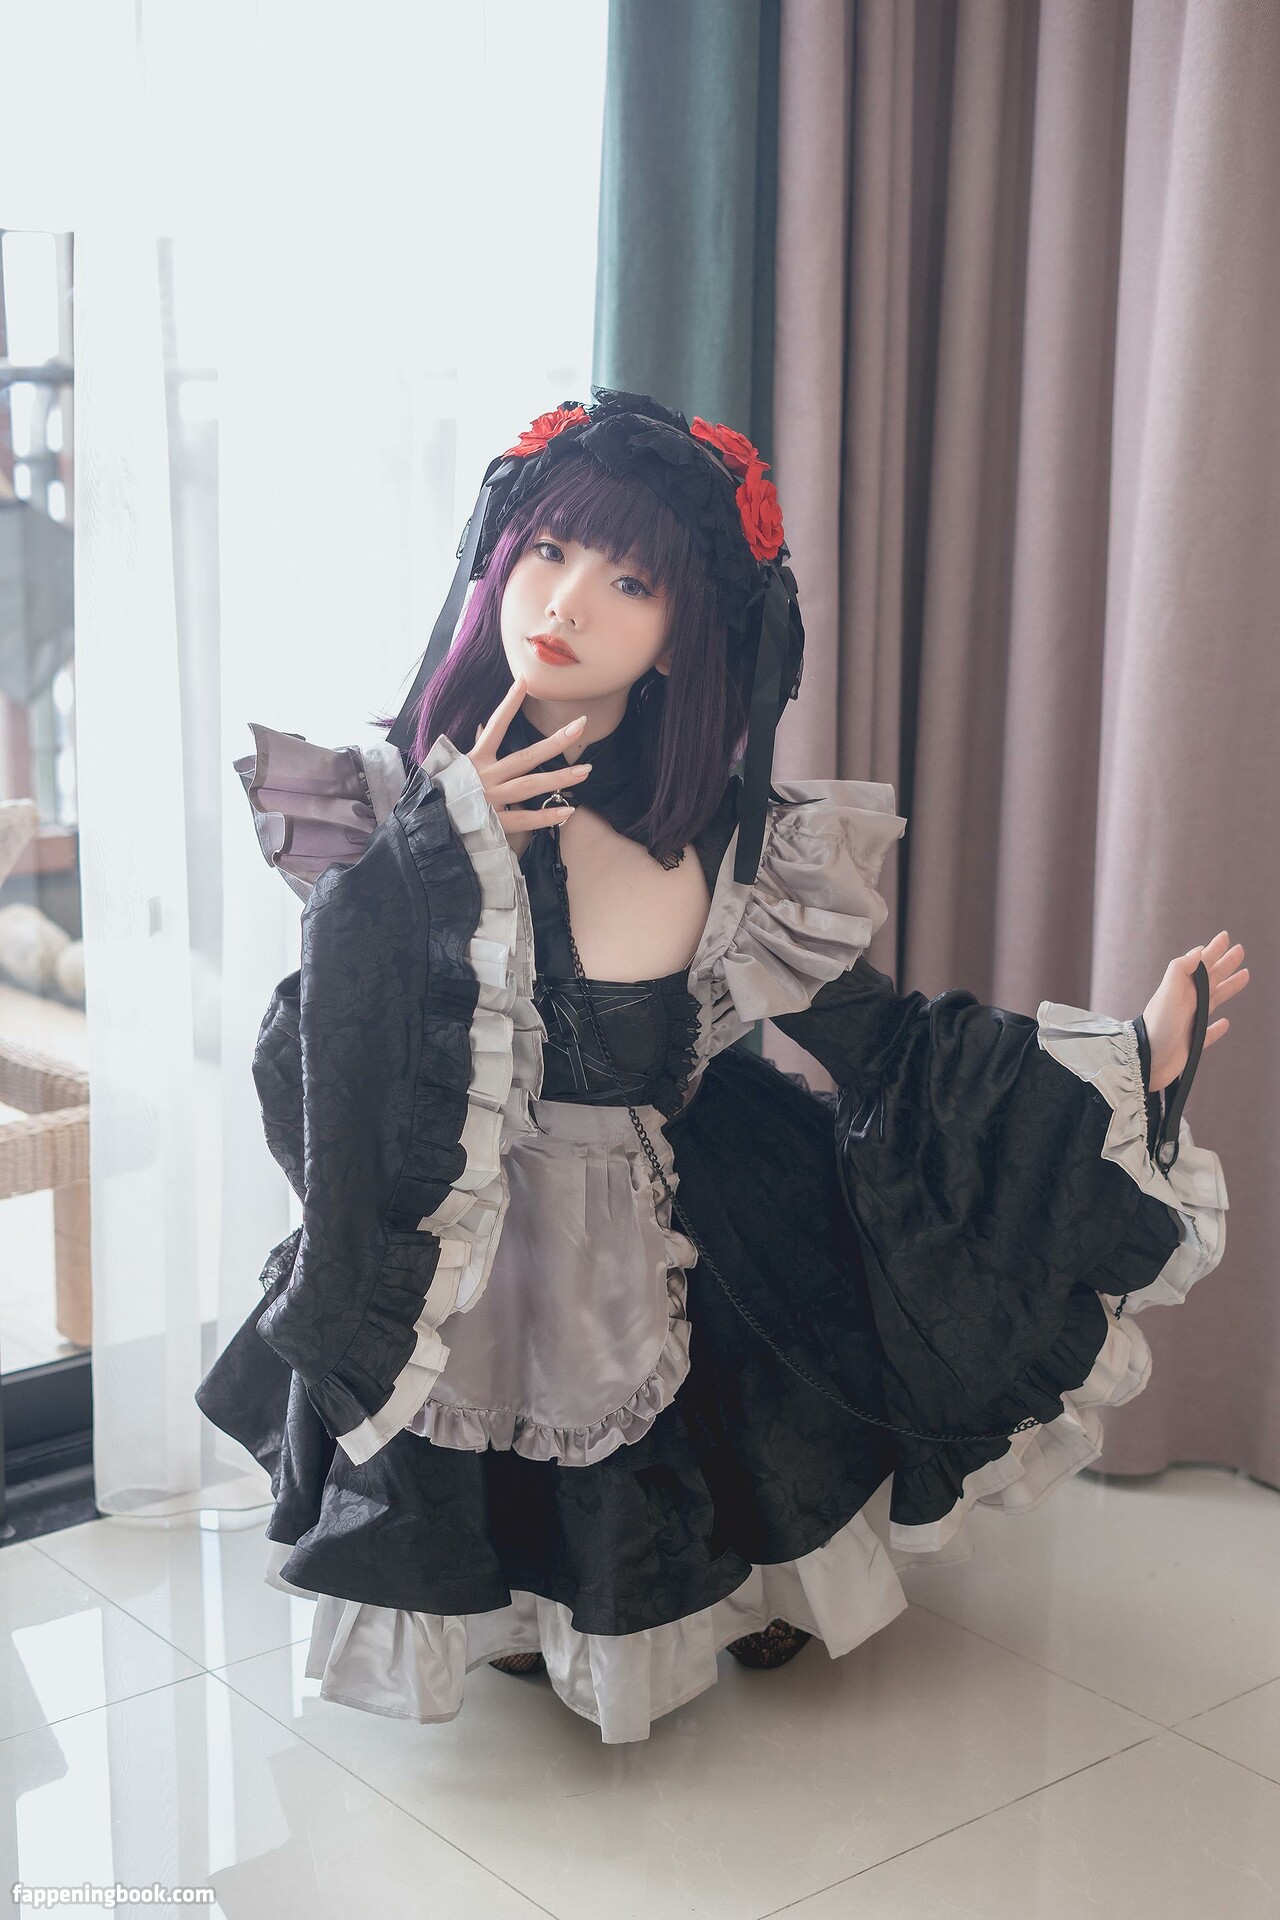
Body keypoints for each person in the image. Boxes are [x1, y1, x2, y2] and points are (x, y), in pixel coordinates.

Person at [196, 388, 1243, 1745]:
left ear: (687, 634)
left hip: (654, 1216)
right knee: (475, 1412)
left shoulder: (729, 850)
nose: (566, 601)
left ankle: (698, 1595)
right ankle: (514, 1609)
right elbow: (311, 1051)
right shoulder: (388, 808)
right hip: (463, 1232)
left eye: (628, 581)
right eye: (546, 551)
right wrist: (430, 858)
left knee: (720, 1409)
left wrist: (1126, 1058)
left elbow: (884, 1046)